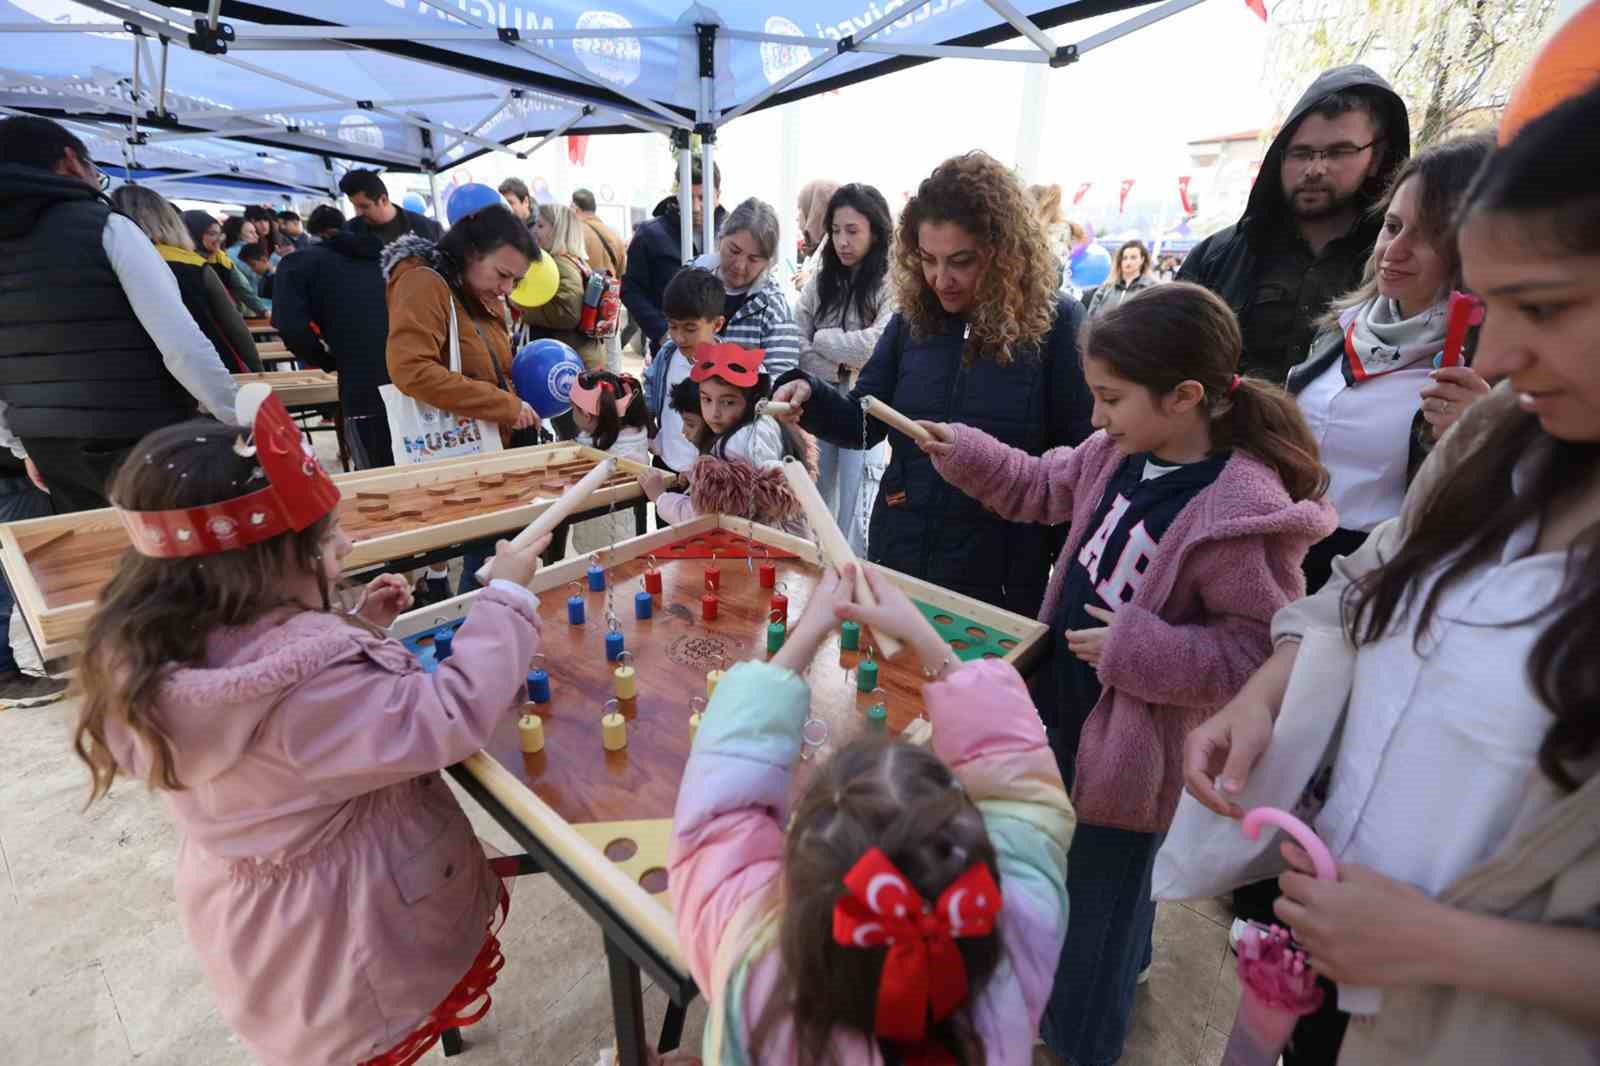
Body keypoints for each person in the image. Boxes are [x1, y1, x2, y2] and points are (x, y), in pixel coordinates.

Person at [1182, 85, 1600, 1066]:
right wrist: (1269, 687)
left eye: (1540, 306)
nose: (1494, 351)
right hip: (1332, 952)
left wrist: (1443, 944)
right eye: (1490, 306)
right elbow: (1366, 581)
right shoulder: (1507, 432)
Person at [921, 281, 1335, 1066]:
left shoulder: (1240, 510)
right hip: (1069, 709)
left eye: (1110, 398)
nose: (1095, 417)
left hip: (1136, 751)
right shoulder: (1117, 452)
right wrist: (963, 451)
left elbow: (1259, 654)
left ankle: (1083, 1038)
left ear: (1184, 397)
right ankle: (1123, 962)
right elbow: (1041, 485)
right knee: (1108, 893)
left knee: (1093, 920)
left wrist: (1134, 651)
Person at [71, 410, 551, 1066]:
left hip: (275, 941)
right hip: (357, 944)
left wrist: (353, 630)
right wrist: (505, 599)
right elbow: (448, 715)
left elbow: (286, 706)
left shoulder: (159, 655)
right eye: (329, 545)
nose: (347, 550)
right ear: (264, 568)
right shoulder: (308, 692)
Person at [669, 561, 1074, 1065]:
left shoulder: (755, 982)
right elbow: (1024, 797)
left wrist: (809, 629)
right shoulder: (1019, 929)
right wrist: (928, 641)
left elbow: (715, 825)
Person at [771, 152, 1094, 617]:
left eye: (961, 261)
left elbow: (1079, 469)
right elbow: (867, 422)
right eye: (928, 260)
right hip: (902, 551)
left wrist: (1065, 597)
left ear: (1003, 252)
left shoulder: (1057, 324)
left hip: (998, 576)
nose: (942, 279)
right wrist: (812, 395)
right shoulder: (912, 320)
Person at [0, 115, 240, 511]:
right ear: (71, 161)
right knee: (175, 558)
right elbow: (180, 341)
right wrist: (235, 414)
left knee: (103, 556)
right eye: (96, 169)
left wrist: (19, 444)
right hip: (139, 433)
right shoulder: (106, 226)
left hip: (48, 443)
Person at [1288, 136, 1495, 593]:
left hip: (1378, 583)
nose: (1394, 251)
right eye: (1392, 226)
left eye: (1429, 236)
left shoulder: (1496, 368)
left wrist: (1485, 442)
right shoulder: (1337, 328)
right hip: (1285, 556)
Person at [1179, 65, 1411, 382]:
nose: (1315, 169)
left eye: (1338, 152)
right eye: (1300, 153)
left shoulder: (1401, 261)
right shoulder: (1218, 257)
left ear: (1376, 156)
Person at [382, 204, 541, 590]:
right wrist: (504, 404)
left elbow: (483, 359)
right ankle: (478, 640)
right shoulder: (424, 282)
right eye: (502, 275)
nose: (506, 289)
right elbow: (412, 370)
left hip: (488, 452)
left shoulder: (472, 291)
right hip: (465, 456)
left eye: (515, 281)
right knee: (488, 572)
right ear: (470, 251)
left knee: (491, 559)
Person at [795, 183, 895, 550]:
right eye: (836, 230)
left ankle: (855, 584)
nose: (842, 241)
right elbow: (796, 341)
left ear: (875, 231)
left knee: (857, 504)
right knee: (818, 491)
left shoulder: (891, 283)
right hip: (821, 399)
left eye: (853, 231)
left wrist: (824, 340)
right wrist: (837, 362)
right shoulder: (822, 281)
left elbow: (877, 347)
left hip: (868, 406)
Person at [272, 204, 396, 469]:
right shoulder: (392, 259)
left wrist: (326, 360)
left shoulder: (300, 264)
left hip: (363, 384)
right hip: (421, 381)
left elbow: (291, 327)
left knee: (378, 477)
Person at [641, 343, 812, 533]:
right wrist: (697, 477)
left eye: (728, 402)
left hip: (760, 551)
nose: (714, 414)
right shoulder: (765, 425)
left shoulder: (735, 444)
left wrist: (661, 498)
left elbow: (703, 517)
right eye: (706, 399)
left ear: (753, 400)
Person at [113, 186, 262, 374]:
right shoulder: (193, 265)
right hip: (209, 370)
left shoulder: (110, 266)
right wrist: (258, 372)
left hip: (137, 374)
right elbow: (234, 326)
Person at [621, 157, 724, 356]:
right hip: (670, 350)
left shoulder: (731, 235)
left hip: (720, 353)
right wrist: (661, 331)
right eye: (688, 197)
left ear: (717, 195)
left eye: (702, 197)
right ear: (677, 194)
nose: (695, 207)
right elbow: (631, 289)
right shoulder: (650, 235)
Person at [692, 197, 801, 378]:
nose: (740, 265)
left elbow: (782, 378)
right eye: (734, 251)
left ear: (768, 262)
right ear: (721, 238)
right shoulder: (692, 279)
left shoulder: (773, 306)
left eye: (754, 259)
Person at [642, 266, 726, 474]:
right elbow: (651, 384)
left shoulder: (728, 367)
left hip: (706, 473)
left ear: (717, 325)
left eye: (690, 329)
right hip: (667, 463)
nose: (679, 337)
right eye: (672, 326)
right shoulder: (667, 354)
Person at [566, 369, 654, 554]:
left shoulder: (593, 451)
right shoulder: (635, 435)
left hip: (599, 534)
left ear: (586, 415)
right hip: (625, 529)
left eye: (572, 408)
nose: (571, 414)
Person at [525, 202, 604, 370]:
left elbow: (568, 314)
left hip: (569, 359)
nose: (534, 231)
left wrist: (525, 310)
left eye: (540, 225)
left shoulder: (560, 263)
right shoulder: (575, 261)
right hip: (578, 354)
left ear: (557, 230)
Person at [572, 187, 628, 373]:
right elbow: (621, 271)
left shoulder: (576, 233)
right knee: (612, 364)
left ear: (574, 207)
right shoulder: (613, 234)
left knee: (588, 367)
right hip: (610, 307)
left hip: (586, 310)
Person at [341, 168, 443, 246]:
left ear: (383, 200)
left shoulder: (429, 229)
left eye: (364, 206)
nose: (358, 213)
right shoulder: (349, 232)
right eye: (354, 206)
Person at [1086, 240, 1158, 317]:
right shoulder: (1107, 287)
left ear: (1142, 259)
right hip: (1103, 328)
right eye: (1124, 258)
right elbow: (1091, 316)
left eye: (1133, 258)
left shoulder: (1152, 288)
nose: (1128, 262)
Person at [791, 178, 839, 292]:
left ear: (815, 211)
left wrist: (809, 282)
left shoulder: (836, 249)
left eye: (800, 209)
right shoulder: (818, 248)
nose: (797, 217)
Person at [221, 216, 271, 317]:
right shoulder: (239, 253)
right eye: (251, 232)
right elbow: (251, 278)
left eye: (255, 232)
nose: (256, 236)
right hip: (246, 307)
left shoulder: (228, 252)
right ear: (238, 235)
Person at [237, 244, 274, 308]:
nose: (252, 269)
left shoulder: (276, 279)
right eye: (249, 266)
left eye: (253, 265)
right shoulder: (264, 279)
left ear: (264, 260)